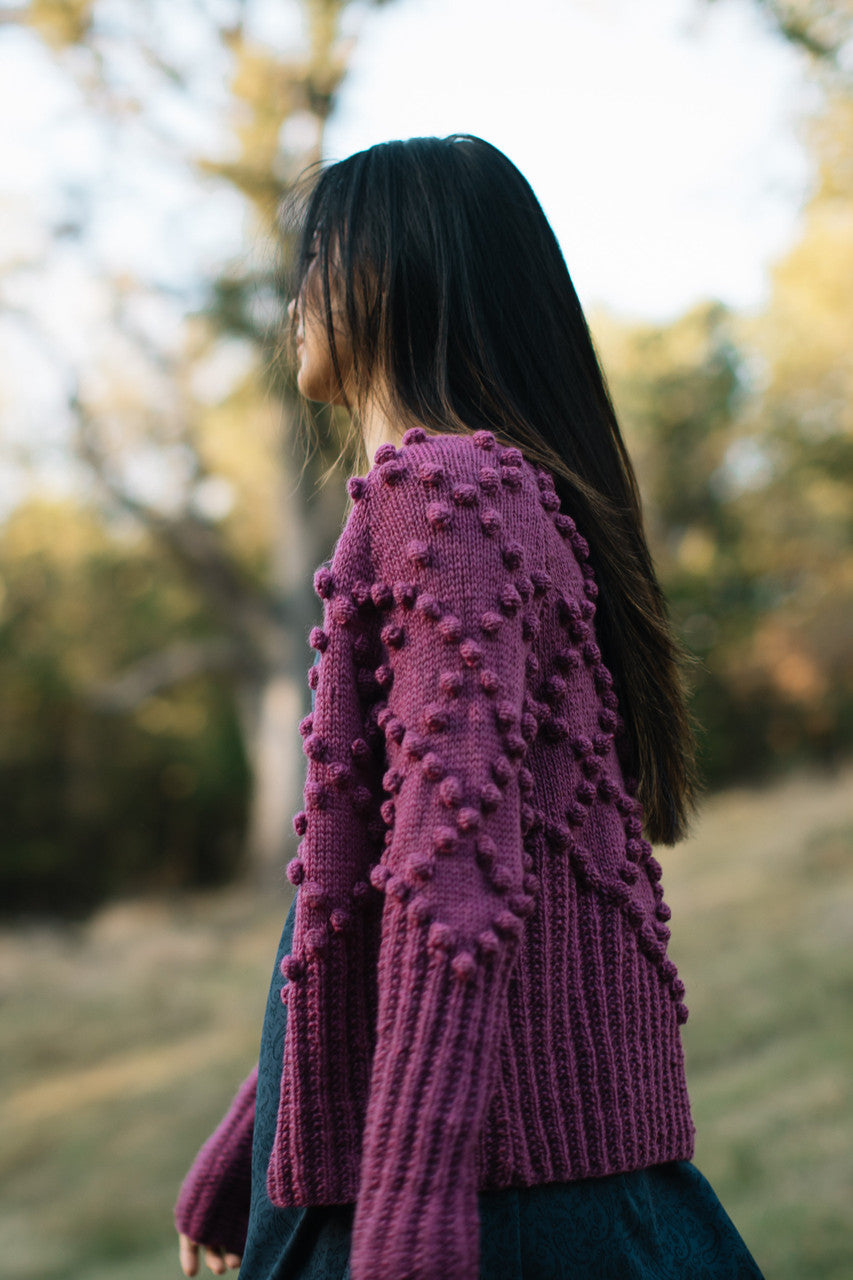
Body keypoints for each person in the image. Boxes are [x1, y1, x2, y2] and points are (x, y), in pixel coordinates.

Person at [174, 135, 765, 1279]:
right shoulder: (493, 496)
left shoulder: (443, 494)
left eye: (318, 262)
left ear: (399, 274)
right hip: (539, 1179)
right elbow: (371, 886)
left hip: (493, 1204)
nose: (293, 300)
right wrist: (251, 1144)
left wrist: (404, 1223)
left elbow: (452, 896)